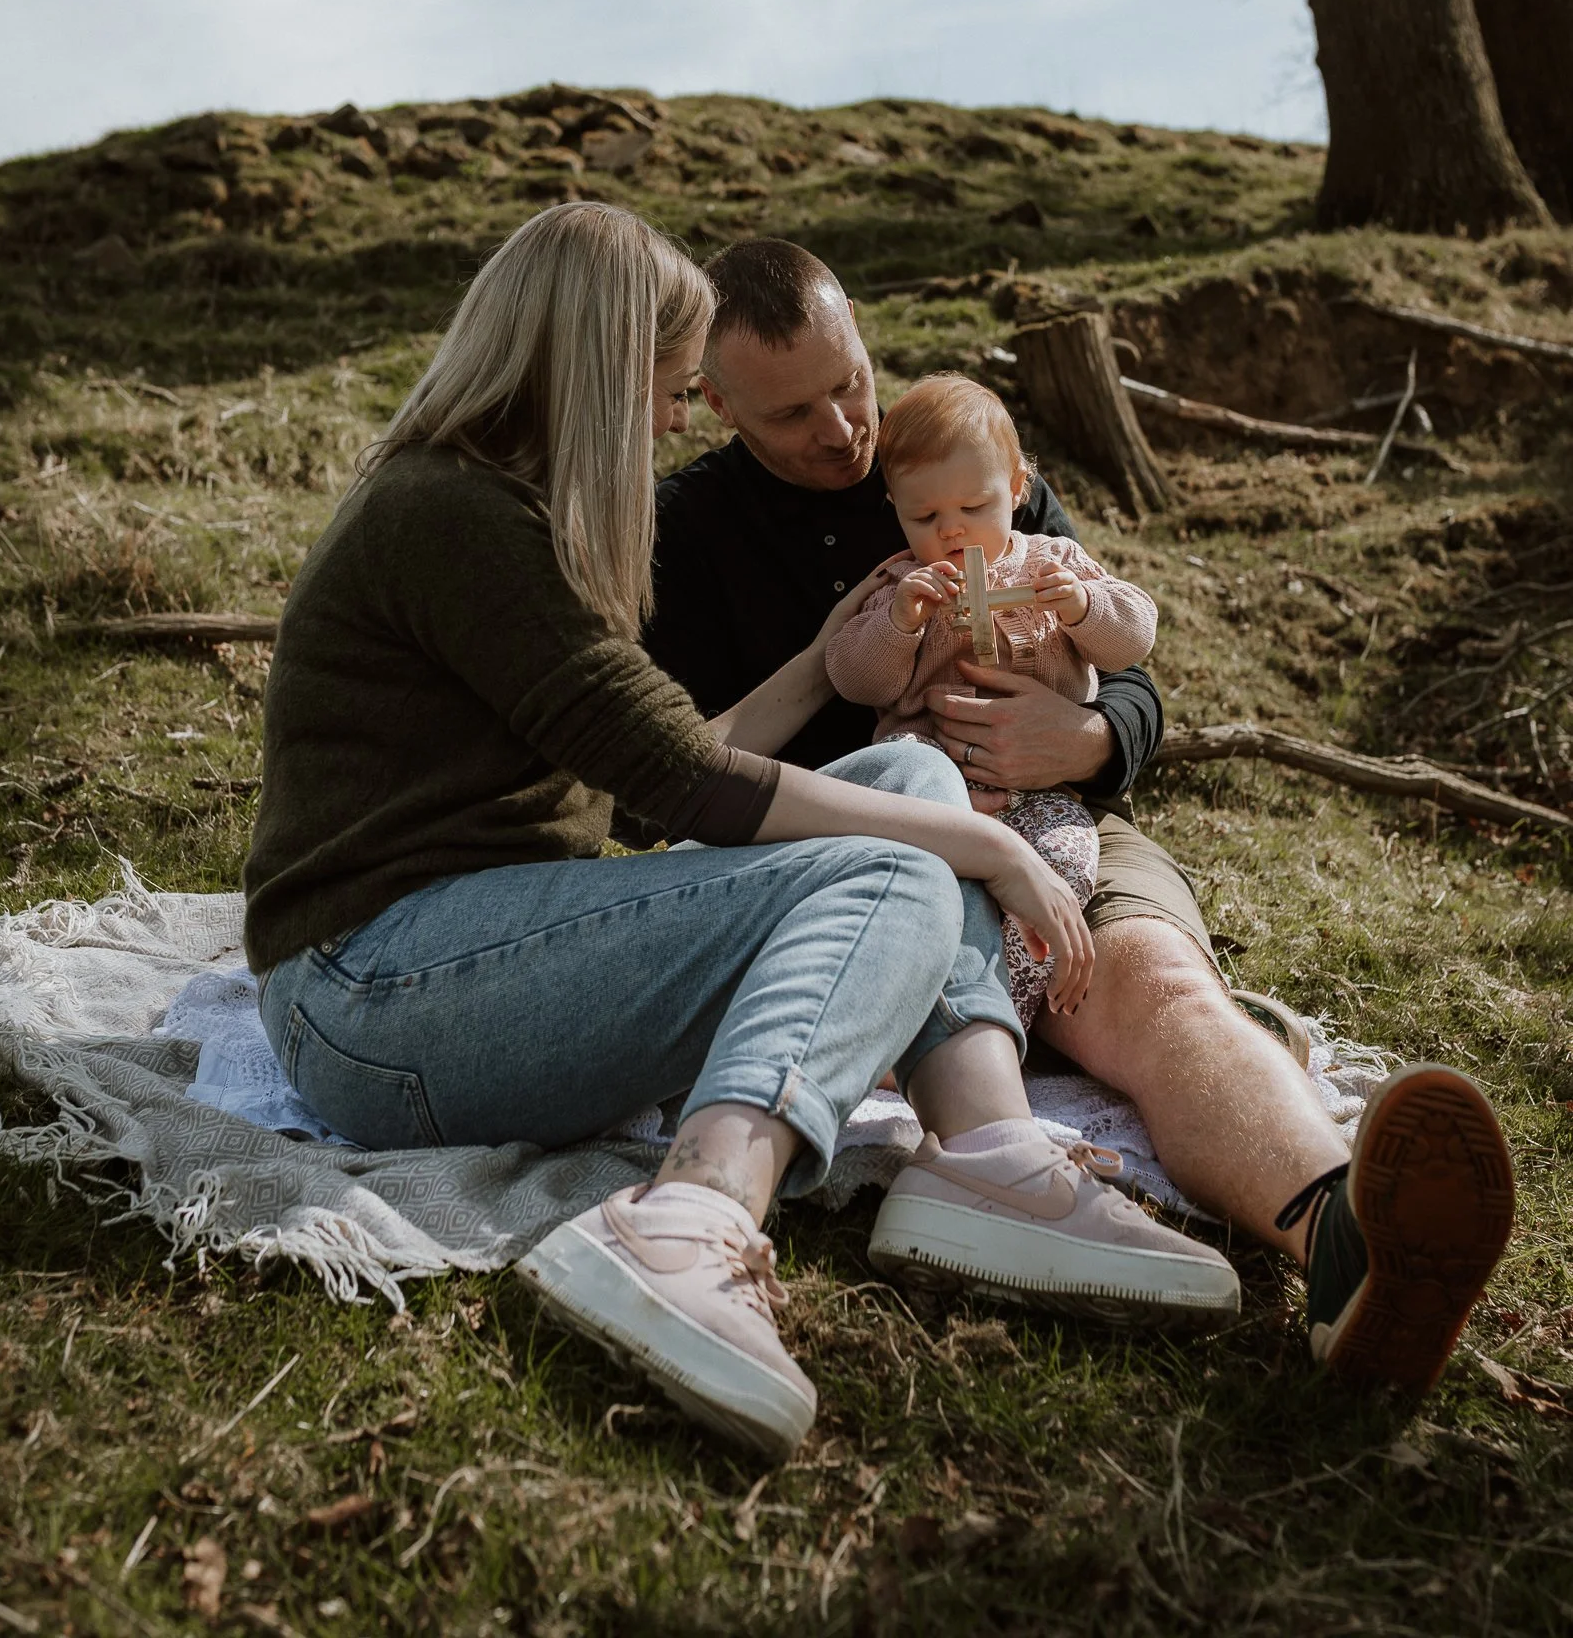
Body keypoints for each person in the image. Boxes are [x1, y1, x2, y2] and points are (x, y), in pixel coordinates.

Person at [243, 202, 1237, 1463]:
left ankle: (986, 1149)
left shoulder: (505, 507)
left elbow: (663, 767)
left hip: (462, 951)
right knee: (908, 856)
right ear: (598, 370)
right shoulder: (452, 517)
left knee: (911, 782)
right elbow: (689, 786)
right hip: (372, 988)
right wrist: (992, 846)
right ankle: (692, 1215)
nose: (670, 417)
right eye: (665, 387)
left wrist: (830, 670)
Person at [645, 236, 1515, 1396]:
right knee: (967, 987)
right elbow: (667, 775)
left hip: (1059, 820)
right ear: (714, 401)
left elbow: (1135, 670)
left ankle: (1346, 1240)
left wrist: (1093, 739)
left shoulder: (961, 448)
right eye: (796, 412)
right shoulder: (684, 531)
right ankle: (1014, 1129)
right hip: (849, 857)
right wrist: (834, 663)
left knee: (1151, 982)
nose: (845, 429)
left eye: (850, 381)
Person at [825, 371, 1158, 1028]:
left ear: (1018, 490)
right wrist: (898, 623)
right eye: (925, 517)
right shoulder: (901, 583)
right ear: (894, 506)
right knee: (908, 828)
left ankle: (1003, 1007)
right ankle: (908, 1005)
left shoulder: (1053, 563)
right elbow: (854, 678)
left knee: (1065, 860)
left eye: (974, 508)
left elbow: (1134, 638)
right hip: (933, 791)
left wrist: (1084, 606)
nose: (951, 531)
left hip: (1040, 793)